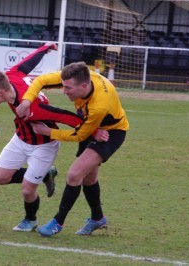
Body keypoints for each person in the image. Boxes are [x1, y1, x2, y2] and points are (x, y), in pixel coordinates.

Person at [0, 43, 107, 232]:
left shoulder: (33, 109)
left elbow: (63, 115)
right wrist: (44, 49)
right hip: (21, 138)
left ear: (0, 93)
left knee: (27, 189)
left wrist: (93, 130)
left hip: (44, 146)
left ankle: (30, 220)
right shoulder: (11, 76)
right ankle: (45, 175)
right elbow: (26, 63)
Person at [16, 61, 129, 237]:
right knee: (88, 178)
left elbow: (80, 135)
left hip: (111, 132)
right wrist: (26, 101)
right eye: (63, 85)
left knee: (74, 175)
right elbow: (39, 81)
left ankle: (58, 222)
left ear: (84, 85)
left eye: (68, 88)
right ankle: (98, 218)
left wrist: (49, 132)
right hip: (90, 124)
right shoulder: (78, 78)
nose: (64, 91)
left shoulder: (99, 105)